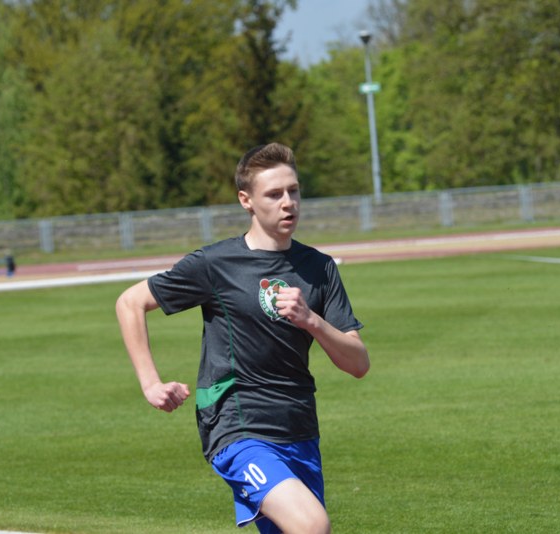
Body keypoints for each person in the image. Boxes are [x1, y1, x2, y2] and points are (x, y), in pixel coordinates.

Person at [115, 142, 370, 533]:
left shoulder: (319, 269)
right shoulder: (216, 264)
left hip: (299, 427)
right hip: (237, 427)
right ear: (246, 200)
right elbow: (131, 302)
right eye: (274, 194)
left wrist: (312, 321)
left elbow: (358, 363)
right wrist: (151, 383)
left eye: (294, 191)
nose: (288, 203)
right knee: (311, 525)